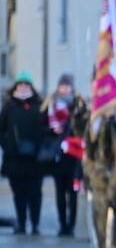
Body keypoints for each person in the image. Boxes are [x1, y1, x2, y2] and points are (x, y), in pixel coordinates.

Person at [1, 71, 47, 235]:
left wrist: (40, 147)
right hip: (15, 159)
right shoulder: (9, 106)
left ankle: (35, 223)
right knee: (19, 193)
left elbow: (45, 129)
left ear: (31, 87)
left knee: (35, 193)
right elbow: (2, 129)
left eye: (26, 84)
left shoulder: (39, 106)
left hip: (35, 159)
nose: (23, 87)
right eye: (20, 84)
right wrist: (8, 146)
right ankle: (21, 222)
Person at [42, 73, 86, 236]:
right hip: (58, 155)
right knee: (60, 192)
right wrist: (52, 131)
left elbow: (82, 127)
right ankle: (62, 224)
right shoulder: (51, 104)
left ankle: (72, 223)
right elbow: (42, 126)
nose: (65, 89)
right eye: (62, 86)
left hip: (73, 155)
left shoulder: (78, 105)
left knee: (73, 192)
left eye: (67, 86)